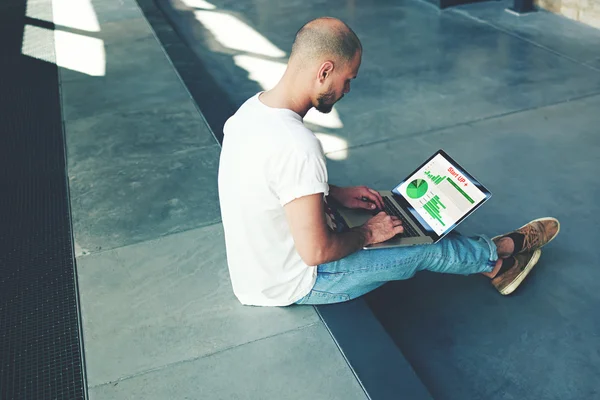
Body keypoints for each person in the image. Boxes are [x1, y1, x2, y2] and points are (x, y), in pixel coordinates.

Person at [217, 17, 560, 307]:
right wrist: (368, 232)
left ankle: (496, 265)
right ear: (325, 70)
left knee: (406, 219)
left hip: (259, 270)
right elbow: (317, 252)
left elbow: (272, 181)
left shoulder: (251, 112)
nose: (347, 90)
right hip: (294, 281)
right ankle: (498, 256)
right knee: (424, 245)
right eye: (347, 79)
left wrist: (332, 192)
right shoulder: (298, 145)